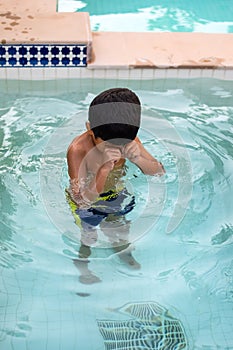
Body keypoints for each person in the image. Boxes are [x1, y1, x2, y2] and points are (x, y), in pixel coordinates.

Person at [66, 88, 165, 283]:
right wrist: (103, 171)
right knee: (89, 236)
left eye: (121, 146)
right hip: (87, 199)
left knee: (120, 230)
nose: (116, 150)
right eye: (108, 146)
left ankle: (122, 252)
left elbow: (158, 171)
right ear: (89, 129)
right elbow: (80, 198)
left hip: (116, 192)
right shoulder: (78, 150)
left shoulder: (130, 139)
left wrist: (137, 158)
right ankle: (83, 263)